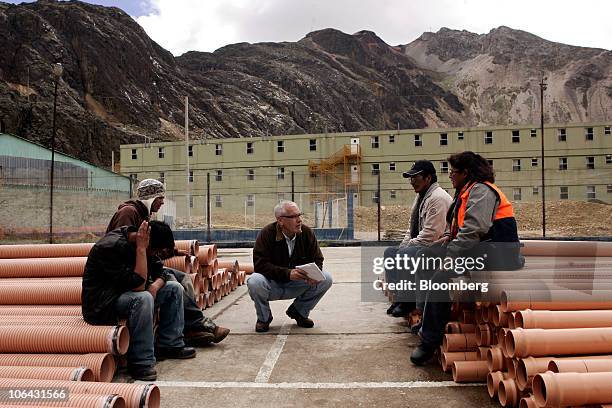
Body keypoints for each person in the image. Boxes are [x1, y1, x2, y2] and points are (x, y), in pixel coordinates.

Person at [410, 151, 524, 365]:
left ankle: (428, 341)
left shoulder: (482, 191)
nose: (450, 175)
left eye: (453, 171)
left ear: (466, 173)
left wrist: (449, 258)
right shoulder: (465, 192)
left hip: (497, 253)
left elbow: (473, 229)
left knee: (440, 279)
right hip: (481, 248)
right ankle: (427, 318)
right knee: (425, 256)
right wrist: (443, 244)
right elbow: (459, 229)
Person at [106, 178, 229, 347]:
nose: (163, 202)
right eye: (160, 198)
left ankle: (189, 327)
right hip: (130, 273)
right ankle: (195, 326)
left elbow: (151, 244)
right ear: (149, 197)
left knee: (184, 278)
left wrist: (173, 251)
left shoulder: (143, 214)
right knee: (171, 279)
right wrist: (155, 276)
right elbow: (124, 248)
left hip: (144, 264)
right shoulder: (128, 214)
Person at [82, 220, 196, 381]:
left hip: (125, 293)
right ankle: (141, 362)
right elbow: (138, 286)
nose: (157, 256)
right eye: (155, 251)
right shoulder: (110, 248)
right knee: (143, 298)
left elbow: (160, 271)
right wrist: (141, 250)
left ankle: (170, 344)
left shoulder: (147, 246)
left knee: (173, 288)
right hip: (103, 303)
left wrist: (156, 286)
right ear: (146, 243)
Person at [248, 201, 333, 332]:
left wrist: (314, 275)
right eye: (294, 217)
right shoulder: (267, 234)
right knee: (255, 281)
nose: (299, 220)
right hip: (273, 285)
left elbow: (318, 259)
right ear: (280, 220)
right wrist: (287, 273)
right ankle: (264, 318)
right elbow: (260, 265)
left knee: (326, 278)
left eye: (299, 215)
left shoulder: (306, 233)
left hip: (297, 284)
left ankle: (299, 311)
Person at [384, 160, 452, 323]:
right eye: (410, 178)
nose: (412, 181)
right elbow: (412, 228)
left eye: (415, 177)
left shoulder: (438, 198)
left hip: (437, 246)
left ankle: (409, 302)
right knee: (391, 253)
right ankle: (400, 298)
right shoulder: (421, 197)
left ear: (428, 178)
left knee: (405, 255)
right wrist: (403, 246)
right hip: (422, 243)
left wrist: (406, 249)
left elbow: (432, 234)